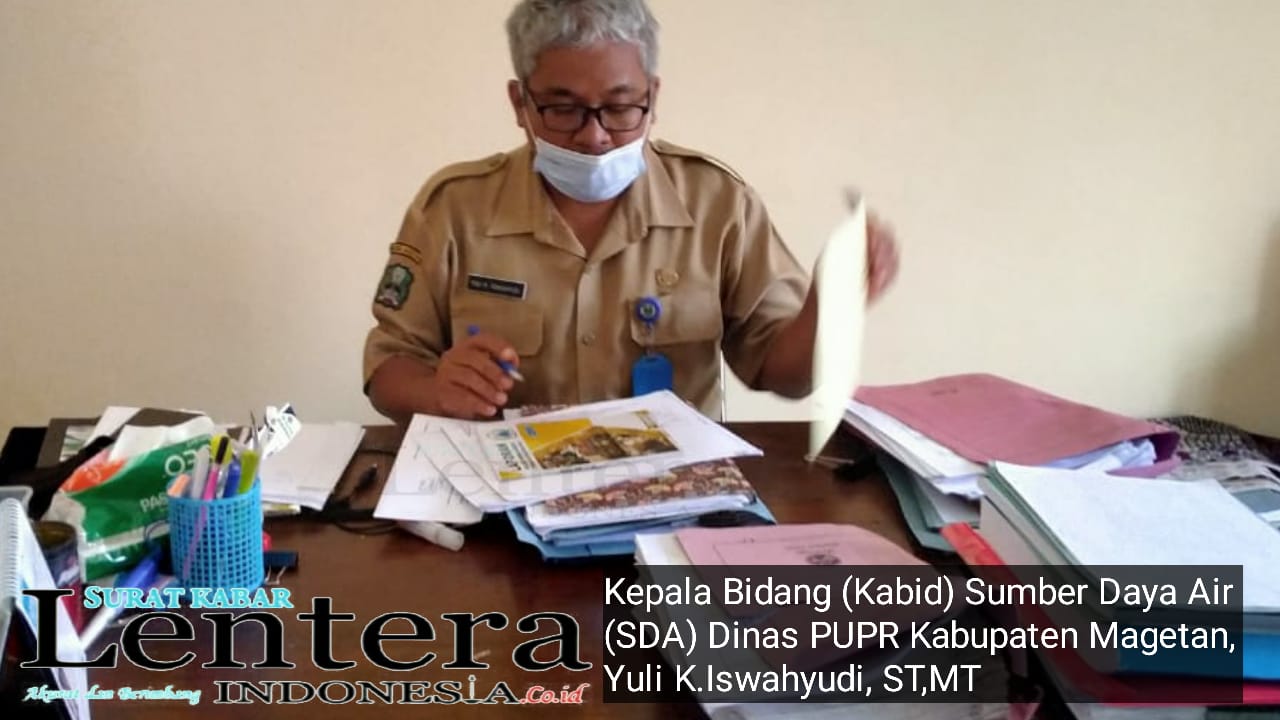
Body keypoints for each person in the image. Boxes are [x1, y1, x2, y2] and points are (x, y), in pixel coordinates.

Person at [363, 0, 899, 424]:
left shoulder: (718, 203)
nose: (595, 136)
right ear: (520, 103)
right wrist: (434, 390)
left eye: (620, 108)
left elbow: (784, 375)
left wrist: (827, 309)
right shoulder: (454, 207)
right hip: (505, 500)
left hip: (677, 498)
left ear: (653, 97)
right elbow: (388, 365)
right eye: (563, 109)